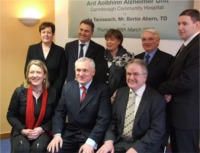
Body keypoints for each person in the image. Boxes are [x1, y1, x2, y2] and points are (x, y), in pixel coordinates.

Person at [97, 59, 166, 153]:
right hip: (119, 143)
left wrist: (136, 149)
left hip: (144, 146)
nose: (131, 77)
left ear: (145, 77)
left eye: (136, 74)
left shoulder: (157, 99)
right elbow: (113, 121)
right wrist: (108, 141)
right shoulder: (120, 93)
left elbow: (156, 131)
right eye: (128, 74)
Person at [47, 57, 111, 153]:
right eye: (78, 70)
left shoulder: (102, 90)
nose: (80, 74)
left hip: (90, 135)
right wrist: (57, 135)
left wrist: (90, 143)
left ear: (93, 72)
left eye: (85, 70)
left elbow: (103, 119)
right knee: (53, 150)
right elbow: (59, 113)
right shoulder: (67, 87)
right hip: (70, 134)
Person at [159, 9, 199, 153]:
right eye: (178, 24)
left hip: (187, 117)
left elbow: (188, 80)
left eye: (185, 24)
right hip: (178, 114)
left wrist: (164, 88)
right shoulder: (187, 45)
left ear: (197, 25)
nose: (180, 27)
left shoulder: (197, 46)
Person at [7, 60, 56, 153]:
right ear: (27, 75)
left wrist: (42, 128)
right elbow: (10, 115)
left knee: (39, 148)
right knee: (22, 148)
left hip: (42, 131)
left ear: (44, 75)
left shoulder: (52, 93)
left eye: (38, 72)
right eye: (32, 72)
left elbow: (54, 116)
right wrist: (22, 130)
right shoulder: (19, 92)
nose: (35, 75)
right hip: (21, 130)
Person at [24, 21, 67, 103]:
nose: (46, 35)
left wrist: (53, 90)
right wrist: (35, 87)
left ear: (53, 34)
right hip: (35, 91)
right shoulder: (32, 49)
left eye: (49, 32)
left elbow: (62, 74)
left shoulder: (60, 51)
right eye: (43, 32)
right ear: (40, 33)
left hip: (55, 93)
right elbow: (27, 69)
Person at [95, 29, 133, 96]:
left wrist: (116, 94)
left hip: (120, 95)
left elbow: (129, 78)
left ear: (119, 41)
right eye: (107, 39)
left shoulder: (127, 58)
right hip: (100, 94)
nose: (109, 42)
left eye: (112, 39)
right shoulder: (99, 55)